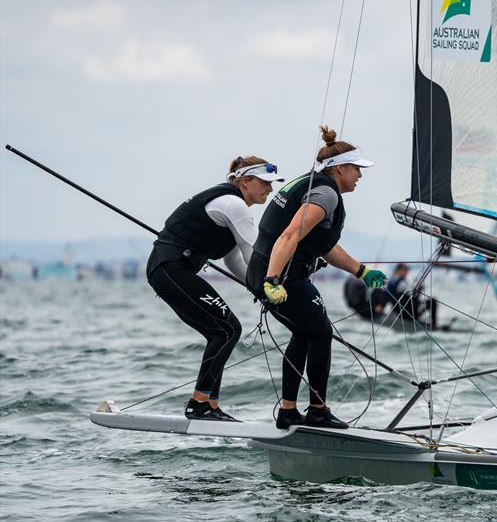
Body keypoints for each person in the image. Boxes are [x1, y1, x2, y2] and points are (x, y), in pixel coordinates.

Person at [246, 126, 386, 430]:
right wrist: (273, 282)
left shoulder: (313, 184)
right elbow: (290, 236)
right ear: (340, 169)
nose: (360, 176)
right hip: (280, 278)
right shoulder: (325, 194)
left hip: (268, 272)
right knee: (320, 335)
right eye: (357, 170)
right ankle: (318, 412)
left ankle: (289, 411)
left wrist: (361, 271)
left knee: (305, 334)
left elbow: (323, 245)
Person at [147, 156, 284, 421]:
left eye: (272, 183)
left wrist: (258, 290)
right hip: (169, 268)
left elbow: (233, 259)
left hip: (170, 270)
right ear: (245, 181)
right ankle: (199, 405)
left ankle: (210, 404)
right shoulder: (234, 205)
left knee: (221, 331)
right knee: (228, 329)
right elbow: (254, 256)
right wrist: (269, 286)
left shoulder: (233, 205)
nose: (270, 189)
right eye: (265, 182)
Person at [386, 263, 438, 330]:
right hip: (407, 314)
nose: (406, 272)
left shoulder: (392, 281)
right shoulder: (399, 282)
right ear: (398, 270)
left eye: (406, 270)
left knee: (422, 302)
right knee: (432, 301)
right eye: (404, 270)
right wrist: (419, 289)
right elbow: (411, 295)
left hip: (400, 311)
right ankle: (434, 326)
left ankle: (431, 324)